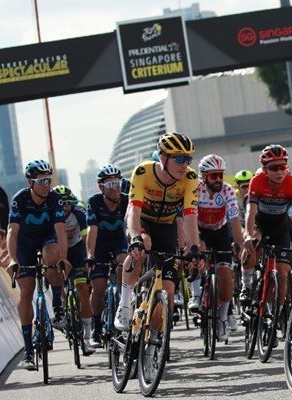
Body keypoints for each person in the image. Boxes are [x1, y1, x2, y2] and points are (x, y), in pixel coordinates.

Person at [114, 133, 202, 332]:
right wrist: (135, 237)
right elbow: (134, 211)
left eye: (188, 159)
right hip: (142, 221)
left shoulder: (190, 178)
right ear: (163, 158)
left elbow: (190, 216)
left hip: (166, 226)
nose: (184, 164)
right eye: (179, 159)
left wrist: (194, 247)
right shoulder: (143, 172)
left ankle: (154, 342)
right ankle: (125, 304)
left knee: (169, 291)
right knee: (143, 244)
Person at [6, 159, 71, 370]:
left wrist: (63, 257)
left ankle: (58, 310)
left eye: (48, 180)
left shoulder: (54, 198)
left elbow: (61, 230)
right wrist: (13, 259)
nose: (46, 184)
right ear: (30, 182)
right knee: (27, 291)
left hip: (47, 238)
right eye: (41, 180)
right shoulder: (20, 199)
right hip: (25, 243)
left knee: (52, 254)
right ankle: (28, 350)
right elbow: (11, 232)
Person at [242, 145, 292, 323]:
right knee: (252, 244)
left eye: (283, 167)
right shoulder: (257, 181)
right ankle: (247, 285)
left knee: (282, 274)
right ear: (264, 169)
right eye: (274, 168)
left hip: (281, 227)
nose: (279, 172)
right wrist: (248, 235)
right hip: (260, 224)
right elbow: (250, 210)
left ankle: (277, 313)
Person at [194, 154, 245, 341]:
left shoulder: (227, 190)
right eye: (213, 176)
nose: (218, 179)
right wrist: (196, 241)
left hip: (220, 231)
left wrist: (239, 244)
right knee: (196, 260)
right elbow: (189, 218)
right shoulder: (196, 190)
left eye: (221, 175)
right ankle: (196, 294)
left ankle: (223, 317)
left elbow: (233, 219)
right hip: (200, 231)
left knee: (225, 274)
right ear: (204, 176)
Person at [84, 164, 128, 348]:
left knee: (123, 264)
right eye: (110, 185)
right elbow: (91, 230)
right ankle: (96, 325)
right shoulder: (94, 202)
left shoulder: (127, 200)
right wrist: (89, 255)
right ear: (101, 187)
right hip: (100, 244)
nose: (116, 188)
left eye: (117, 183)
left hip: (119, 242)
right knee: (99, 287)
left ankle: (122, 303)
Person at [53, 185, 96, 356]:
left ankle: (87, 336)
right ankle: (63, 305)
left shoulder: (78, 213)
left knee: (83, 290)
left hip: (77, 249)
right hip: (58, 249)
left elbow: (86, 238)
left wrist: (88, 257)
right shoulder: (51, 214)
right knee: (56, 279)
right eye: (61, 205)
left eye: (67, 205)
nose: (65, 209)